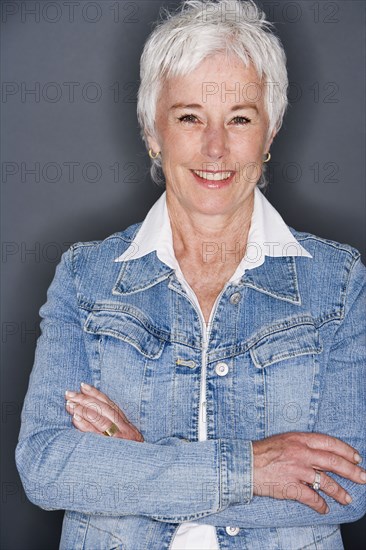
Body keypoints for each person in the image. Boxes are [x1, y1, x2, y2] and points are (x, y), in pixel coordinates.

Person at [16, 1, 365, 549]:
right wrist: (248, 469)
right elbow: (46, 465)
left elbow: (350, 482)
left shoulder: (340, 284)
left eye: (240, 119)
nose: (215, 148)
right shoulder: (85, 278)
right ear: (154, 131)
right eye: (189, 117)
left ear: (269, 134)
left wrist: (137, 460)